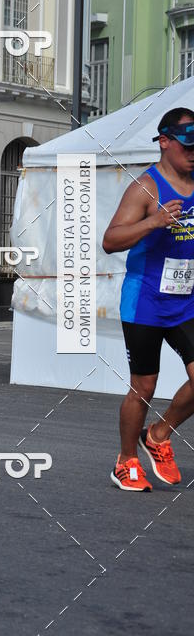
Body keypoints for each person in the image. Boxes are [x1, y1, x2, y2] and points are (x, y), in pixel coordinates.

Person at [103, 108, 194, 491]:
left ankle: (157, 434)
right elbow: (111, 241)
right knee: (145, 385)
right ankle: (125, 460)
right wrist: (153, 222)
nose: (193, 153)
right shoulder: (145, 188)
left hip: (186, 301)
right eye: (187, 145)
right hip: (145, 301)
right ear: (165, 141)